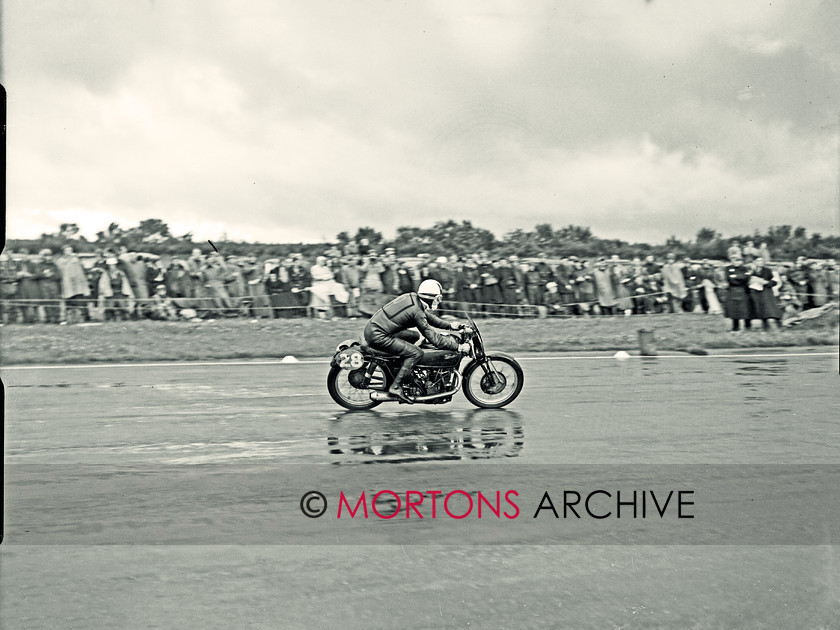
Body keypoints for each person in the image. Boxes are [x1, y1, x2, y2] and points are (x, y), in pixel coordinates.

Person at [363, 279, 470, 402]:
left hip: (376, 329)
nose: (438, 301)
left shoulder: (414, 298)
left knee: (414, 336)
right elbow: (433, 338)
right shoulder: (417, 311)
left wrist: (450, 326)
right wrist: (458, 347)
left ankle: (403, 370)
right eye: (437, 298)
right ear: (429, 297)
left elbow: (429, 318)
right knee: (416, 353)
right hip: (379, 335)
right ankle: (396, 387)